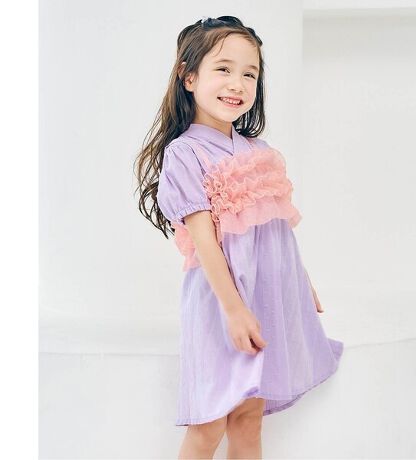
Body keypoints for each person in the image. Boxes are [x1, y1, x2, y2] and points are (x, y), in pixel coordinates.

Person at [134, 15, 344, 459]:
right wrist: (233, 311)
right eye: (224, 69)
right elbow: (204, 241)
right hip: (221, 303)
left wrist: (302, 282)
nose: (238, 84)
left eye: (250, 74)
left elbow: (276, 228)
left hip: (266, 296)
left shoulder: (259, 151)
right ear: (189, 77)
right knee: (208, 422)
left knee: (249, 417)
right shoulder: (185, 153)